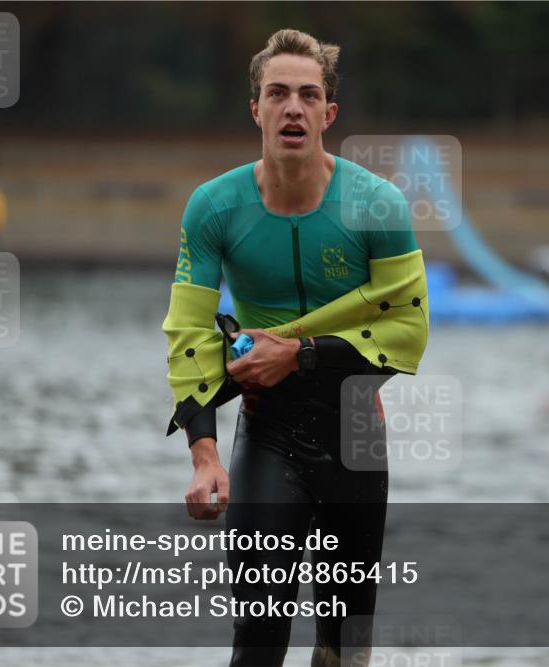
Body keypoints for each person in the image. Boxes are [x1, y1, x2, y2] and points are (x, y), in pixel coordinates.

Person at [160, 29, 429, 667]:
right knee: (257, 642)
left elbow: (407, 326)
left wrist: (300, 355)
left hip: (355, 437)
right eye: (277, 93)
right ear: (255, 108)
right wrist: (203, 456)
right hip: (267, 430)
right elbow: (189, 334)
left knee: (343, 651)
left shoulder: (377, 205)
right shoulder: (213, 207)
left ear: (328, 115)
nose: (293, 108)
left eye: (308, 96)